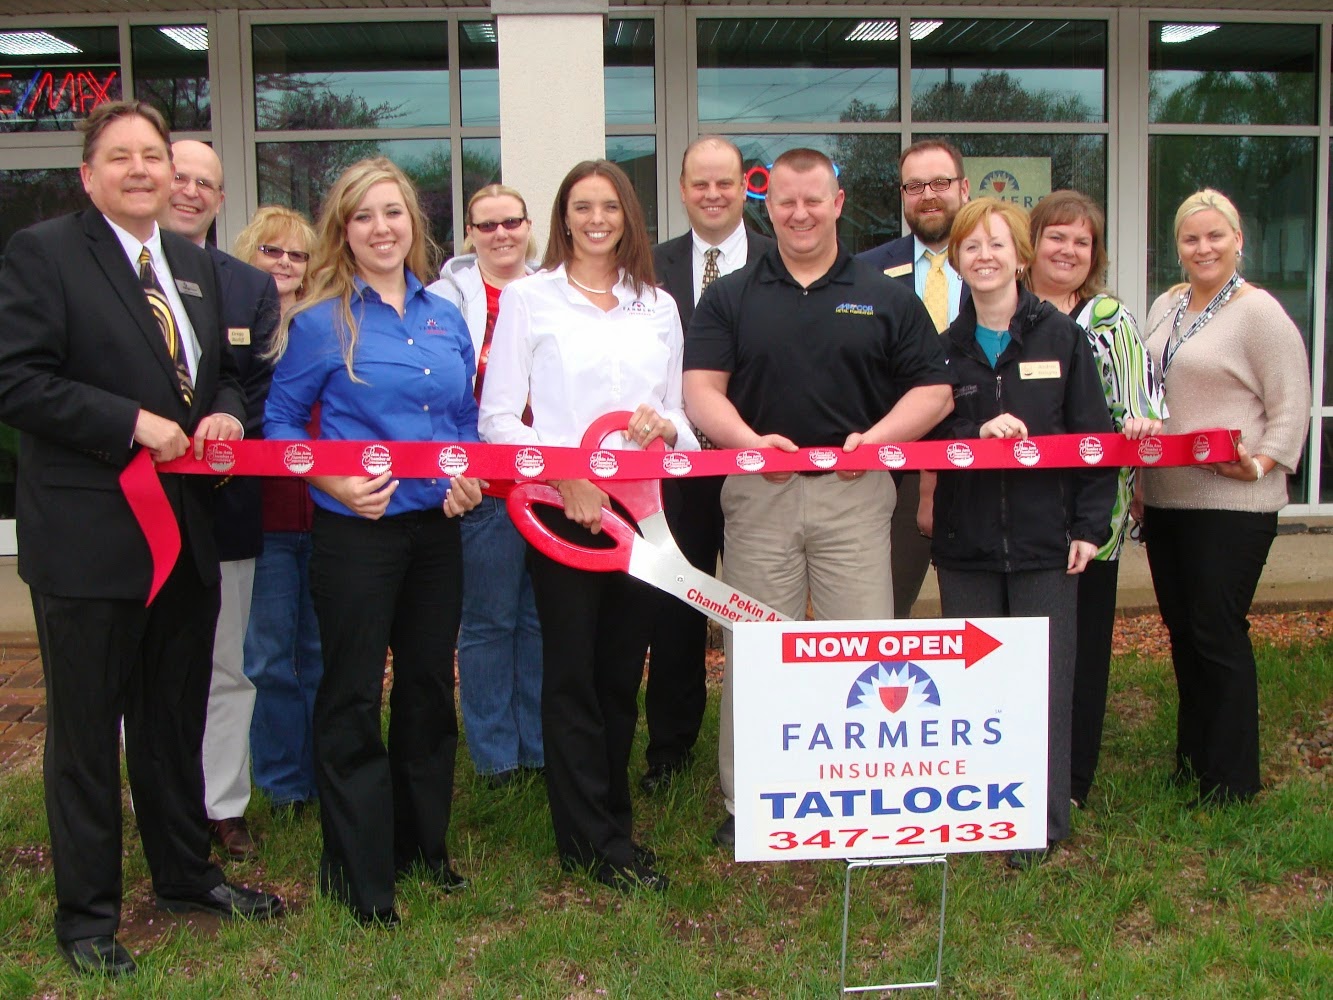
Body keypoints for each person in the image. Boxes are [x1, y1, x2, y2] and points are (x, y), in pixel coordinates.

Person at [0, 100, 284, 979]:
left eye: (153, 157)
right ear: (88, 175)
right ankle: (87, 917)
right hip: (92, 542)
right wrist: (130, 423)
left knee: (173, 721)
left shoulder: (198, 268)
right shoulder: (42, 255)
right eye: (119, 156)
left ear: (173, 174)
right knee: (88, 736)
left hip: (185, 542)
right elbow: (17, 381)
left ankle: (185, 877)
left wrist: (229, 418)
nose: (140, 169)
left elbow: (231, 378)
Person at [684, 147, 954, 848]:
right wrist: (747, 441)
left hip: (855, 494)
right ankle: (750, 804)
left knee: (864, 651)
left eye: (813, 200)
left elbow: (933, 390)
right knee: (757, 651)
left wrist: (876, 439)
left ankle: (861, 798)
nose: (798, 214)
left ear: (838, 202)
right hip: (757, 495)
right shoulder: (730, 295)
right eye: (784, 202)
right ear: (765, 208)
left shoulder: (885, 294)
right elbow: (700, 391)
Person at [264, 157, 485, 925]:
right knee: (353, 694)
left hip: (435, 532)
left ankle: (423, 848)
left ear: (412, 225)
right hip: (356, 535)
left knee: (428, 689)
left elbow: (460, 420)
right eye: (363, 216)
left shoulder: (444, 314)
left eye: (393, 213)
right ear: (344, 231)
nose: (381, 228)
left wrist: (466, 478)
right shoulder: (322, 323)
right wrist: (329, 483)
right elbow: (281, 425)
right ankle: (358, 875)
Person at [479, 159, 696, 892]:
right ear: (562, 217)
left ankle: (611, 824)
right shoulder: (529, 300)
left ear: (629, 216)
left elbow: (685, 426)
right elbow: (498, 417)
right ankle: (589, 844)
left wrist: (663, 425)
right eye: (581, 206)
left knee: (616, 677)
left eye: (609, 205)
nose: (596, 218)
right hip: (562, 512)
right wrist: (556, 472)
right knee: (570, 677)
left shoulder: (656, 305)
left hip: (638, 515)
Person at [919, 198, 1116, 867]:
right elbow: (926, 432)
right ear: (957, 261)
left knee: (1041, 687)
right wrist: (972, 434)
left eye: (996, 245)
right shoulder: (942, 350)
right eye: (971, 247)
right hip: (965, 547)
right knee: (975, 689)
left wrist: (1091, 525)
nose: (984, 257)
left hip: (1043, 544)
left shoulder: (1061, 338)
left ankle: (1039, 823)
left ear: (1020, 256)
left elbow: (1096, 438)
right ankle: (978, 812)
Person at [1138, 188, 1310, 806]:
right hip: (1168, 496)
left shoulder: (1258, 312)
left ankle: (1233, 781)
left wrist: (1264, 461)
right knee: (1183, 631)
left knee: (1216, 630)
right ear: (1177, 247)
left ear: (1239, 240)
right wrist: (1139, 482)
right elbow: (1152, 394)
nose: (1203, 247)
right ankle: (1194, 760)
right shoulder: (1166, 304)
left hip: (1234, 500)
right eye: (1191, 238)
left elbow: (1291, 400)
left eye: (1216, 236)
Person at [160, 139, 281, 861]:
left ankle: (223, 806)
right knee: (144, 662)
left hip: (226, 507)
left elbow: (256, 386)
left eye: (206, 182)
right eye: (181, 177)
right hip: (127, 503)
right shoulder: (103, 276)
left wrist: (230, 417)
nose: (191, 191)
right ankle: (157, 798)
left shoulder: (246, 286)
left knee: (227, 665)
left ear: (219, 196)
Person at [642, 136, 774, 795]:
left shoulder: (783, 263)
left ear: (744, 187)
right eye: (700, 184)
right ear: (683, 187)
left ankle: (767, 735)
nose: (713, 195)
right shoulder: (648, 265)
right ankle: (669, 750)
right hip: (677, 469)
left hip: (761, 468)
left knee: (757, 604)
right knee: (675, 609)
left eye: (725, 182)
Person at [1024, 190, 1163, 808]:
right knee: (1027, 646)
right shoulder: (1009, 310)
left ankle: (1073, 780)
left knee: (1082, 647)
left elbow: (1144, 403)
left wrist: (1138, 423)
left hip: (1094, 513)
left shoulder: (1112, 319)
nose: (1069, 250)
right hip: (1019, 513)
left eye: (1082, 241)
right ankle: (1018, 765)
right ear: (1033, 242)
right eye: (1057, 236)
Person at [427, 184, 544, 789]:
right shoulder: (443, 301)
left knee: (537, 620)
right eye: (487, 225)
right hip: (484, 486)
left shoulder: (554, 292)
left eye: (512, 222)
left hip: (552, 483)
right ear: (469, 234)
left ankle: (539, 748)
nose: (501, 234)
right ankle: (497, 757)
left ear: (530, 228)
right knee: (490, 622)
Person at [857, 139, 972, 618]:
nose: (929, 195)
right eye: (915, 185)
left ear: (964, 189)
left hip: (979, 466)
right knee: (880, 614)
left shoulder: (999, 262)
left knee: (977, 620)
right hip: (894, 471)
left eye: (940, 183)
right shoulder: (866, 272)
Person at [234, 205, 323, 816]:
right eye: (273, 252)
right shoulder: (234, 330)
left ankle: (322, 773)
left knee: (319, 653)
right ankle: (282, 781)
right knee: (268, 657)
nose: (286, 264)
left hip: (328, 512)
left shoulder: (328, 324)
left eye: (297, 255)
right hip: (260, 518)